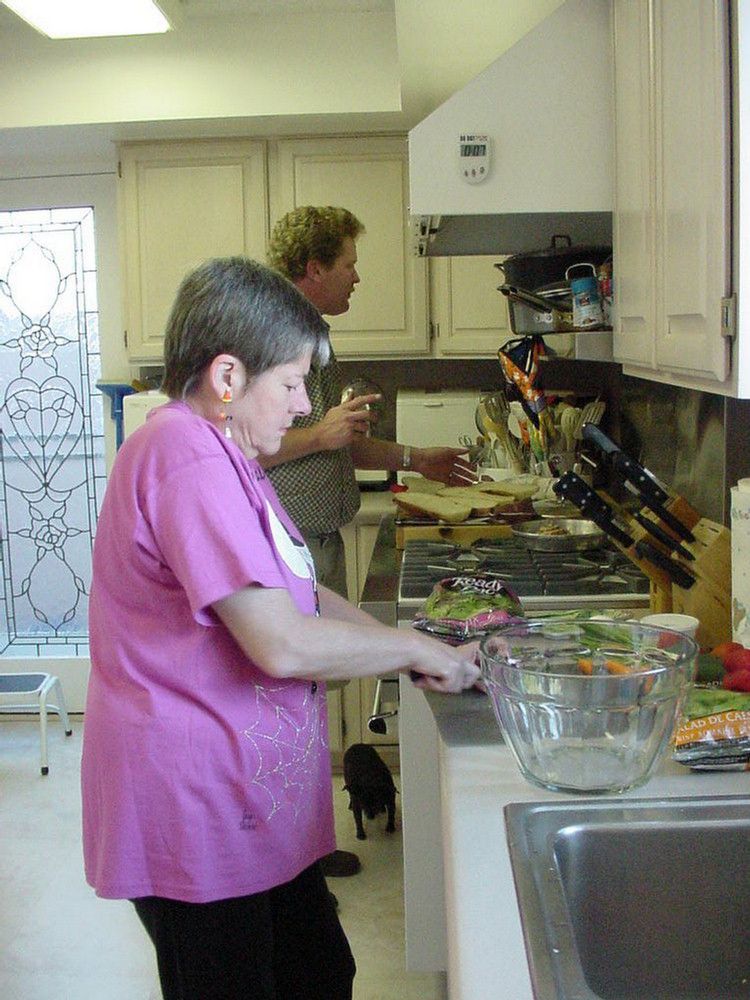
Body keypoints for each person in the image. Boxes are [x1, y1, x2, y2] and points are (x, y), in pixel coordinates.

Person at [81, 257, 480, 1000]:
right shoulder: (184, 457)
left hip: (248, 802)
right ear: (228, 375)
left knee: (318, 974)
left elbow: (302, 599)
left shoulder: (229, 453)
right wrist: (415, 649)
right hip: (196, 808)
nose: (303, 407)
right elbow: (282, 640)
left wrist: (415, 652)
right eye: (292, 384)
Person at [265, 206, 474, 877]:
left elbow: (338, 440)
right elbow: (239, 447)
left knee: (306, 694)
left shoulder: (314, 339)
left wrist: (417, 456)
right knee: (288, 699)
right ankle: (287, 849)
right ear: (314, 267)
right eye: (349, 262)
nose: (358, 276)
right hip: (283, 548)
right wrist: (321, 435)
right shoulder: (269, 338)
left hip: (315, 542)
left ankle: (300, 841)